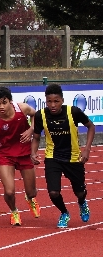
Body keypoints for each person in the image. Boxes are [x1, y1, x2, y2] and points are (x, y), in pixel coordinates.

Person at [31, 83, 95, 228]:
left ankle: (82, 203)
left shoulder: (74, 112)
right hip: (52, 157)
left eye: (56, 101)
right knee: (53, 192)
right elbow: (36, 137)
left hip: (73, 158)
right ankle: (64, 213)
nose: (53, 105)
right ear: (45, 101)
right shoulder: (40, 115)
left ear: (62, 100)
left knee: (79, 192)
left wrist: (87, 149)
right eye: (49, 101)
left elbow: (91, 126)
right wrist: (33, 152)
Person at [0, 86, 40, 226]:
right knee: (9, 191)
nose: (1, 106)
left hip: (24, 152)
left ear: (10, 101)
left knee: (32, 192)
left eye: (4, 102)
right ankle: (14, 211)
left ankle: (30, 198)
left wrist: (32, 129)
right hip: (6, 155)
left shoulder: (23, 108)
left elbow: (36, 115)